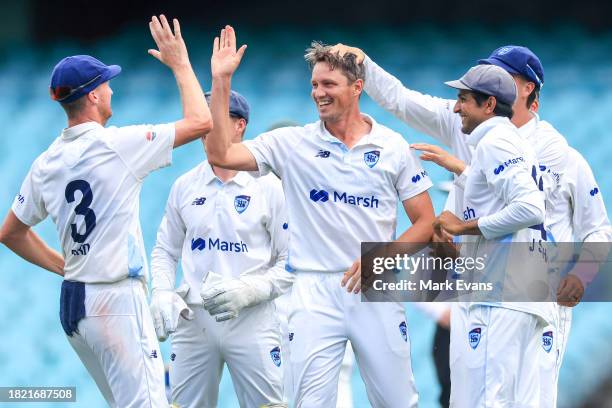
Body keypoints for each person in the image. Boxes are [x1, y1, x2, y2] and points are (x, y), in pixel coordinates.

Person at [328, 42, 606, 406]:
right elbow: (400, 100)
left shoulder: (562, 155)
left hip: (538, 290)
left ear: (528, 92)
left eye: (506, 73)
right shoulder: (469, 124)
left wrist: (582, 275)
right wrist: (364, 63)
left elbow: (596, 227)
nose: (460, 106)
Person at [205, 26, 435, 407]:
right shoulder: (291, 142)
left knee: (398, 402)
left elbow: (426, 222)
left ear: (357, 87)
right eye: (314, 84)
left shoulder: (392, 146)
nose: (318, 93)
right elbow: (222, 156)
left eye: (328, 83)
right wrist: (222, 80)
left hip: (375, 286)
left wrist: (382, 256)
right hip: (312, 290)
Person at [0, 15, 212, 407]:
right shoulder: (117, 145)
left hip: (74, 304)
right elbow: (202, 122)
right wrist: (181, 63)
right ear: (94, 95)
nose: (112, 90)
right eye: (107, 84)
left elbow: (10, 232)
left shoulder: (46, 163)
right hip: (115, 299)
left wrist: (62, 265)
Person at [149, 89, 293, 408]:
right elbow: (165, 251)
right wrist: (160, 291)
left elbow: (290, 262)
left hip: (252, 318)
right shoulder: (184, 186)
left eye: (213, 117)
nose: (204, 126)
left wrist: (249, 290)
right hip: (194, 319)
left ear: (240, 125)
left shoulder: (269, 187)